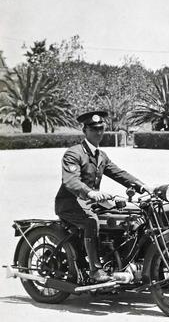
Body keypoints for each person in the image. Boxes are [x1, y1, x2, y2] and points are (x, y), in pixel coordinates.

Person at [55, 111, 152, 282]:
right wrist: (90, 193)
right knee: (91, 221)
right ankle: (94, 269)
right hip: (71, 204)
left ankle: (117, 260)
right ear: (84, 130)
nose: (98, 132)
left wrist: (142, 186)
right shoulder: (74, 153)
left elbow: (119, 173)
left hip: (91, 203)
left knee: (128, 216)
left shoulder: (101, 156)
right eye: (93, 129)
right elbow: (70, 181)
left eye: (101, 128)